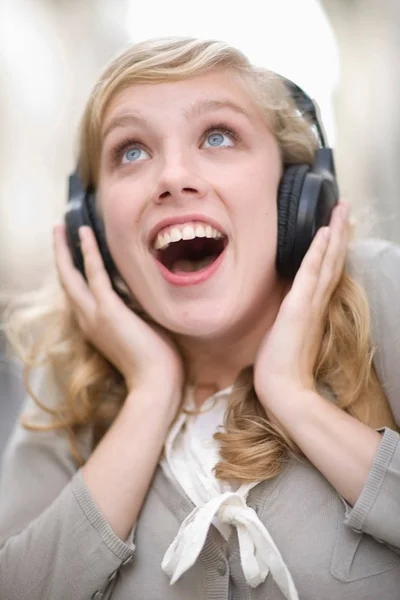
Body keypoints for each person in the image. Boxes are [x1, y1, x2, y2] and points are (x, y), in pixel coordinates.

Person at [0, 36, 399, 600]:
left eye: (218, 136)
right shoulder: (69, 370)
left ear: (297, 194)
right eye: (132, 151)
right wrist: (150, 394)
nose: (173, 177)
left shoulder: (380, 290)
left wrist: (292, 397)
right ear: (91, 223)